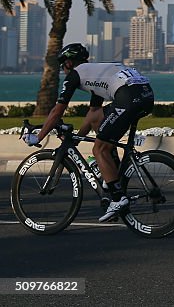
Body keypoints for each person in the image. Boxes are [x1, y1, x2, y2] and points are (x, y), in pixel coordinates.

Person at [24, 43, 154, 221]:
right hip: (146, 95)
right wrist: (76, 139)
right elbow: (93, 114)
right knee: (103, 132)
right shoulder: (96, 72)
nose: (63, 70)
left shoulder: (75, 76)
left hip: (129, 97)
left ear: (69, 63)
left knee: (98, 149)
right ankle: (111, 178)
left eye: (63, 65)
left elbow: (56, 111)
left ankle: (118, 198)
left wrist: (38, 136)